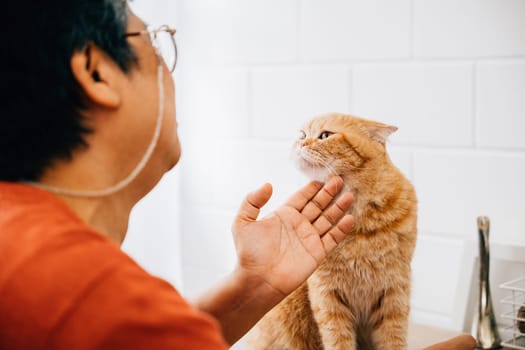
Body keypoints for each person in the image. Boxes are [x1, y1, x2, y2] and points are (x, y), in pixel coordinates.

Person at [0, 1, 475, 349]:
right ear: (98, 73)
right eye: (157, 41)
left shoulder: (19, 244)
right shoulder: (99, 302)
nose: (171, 72)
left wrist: (254, 284)